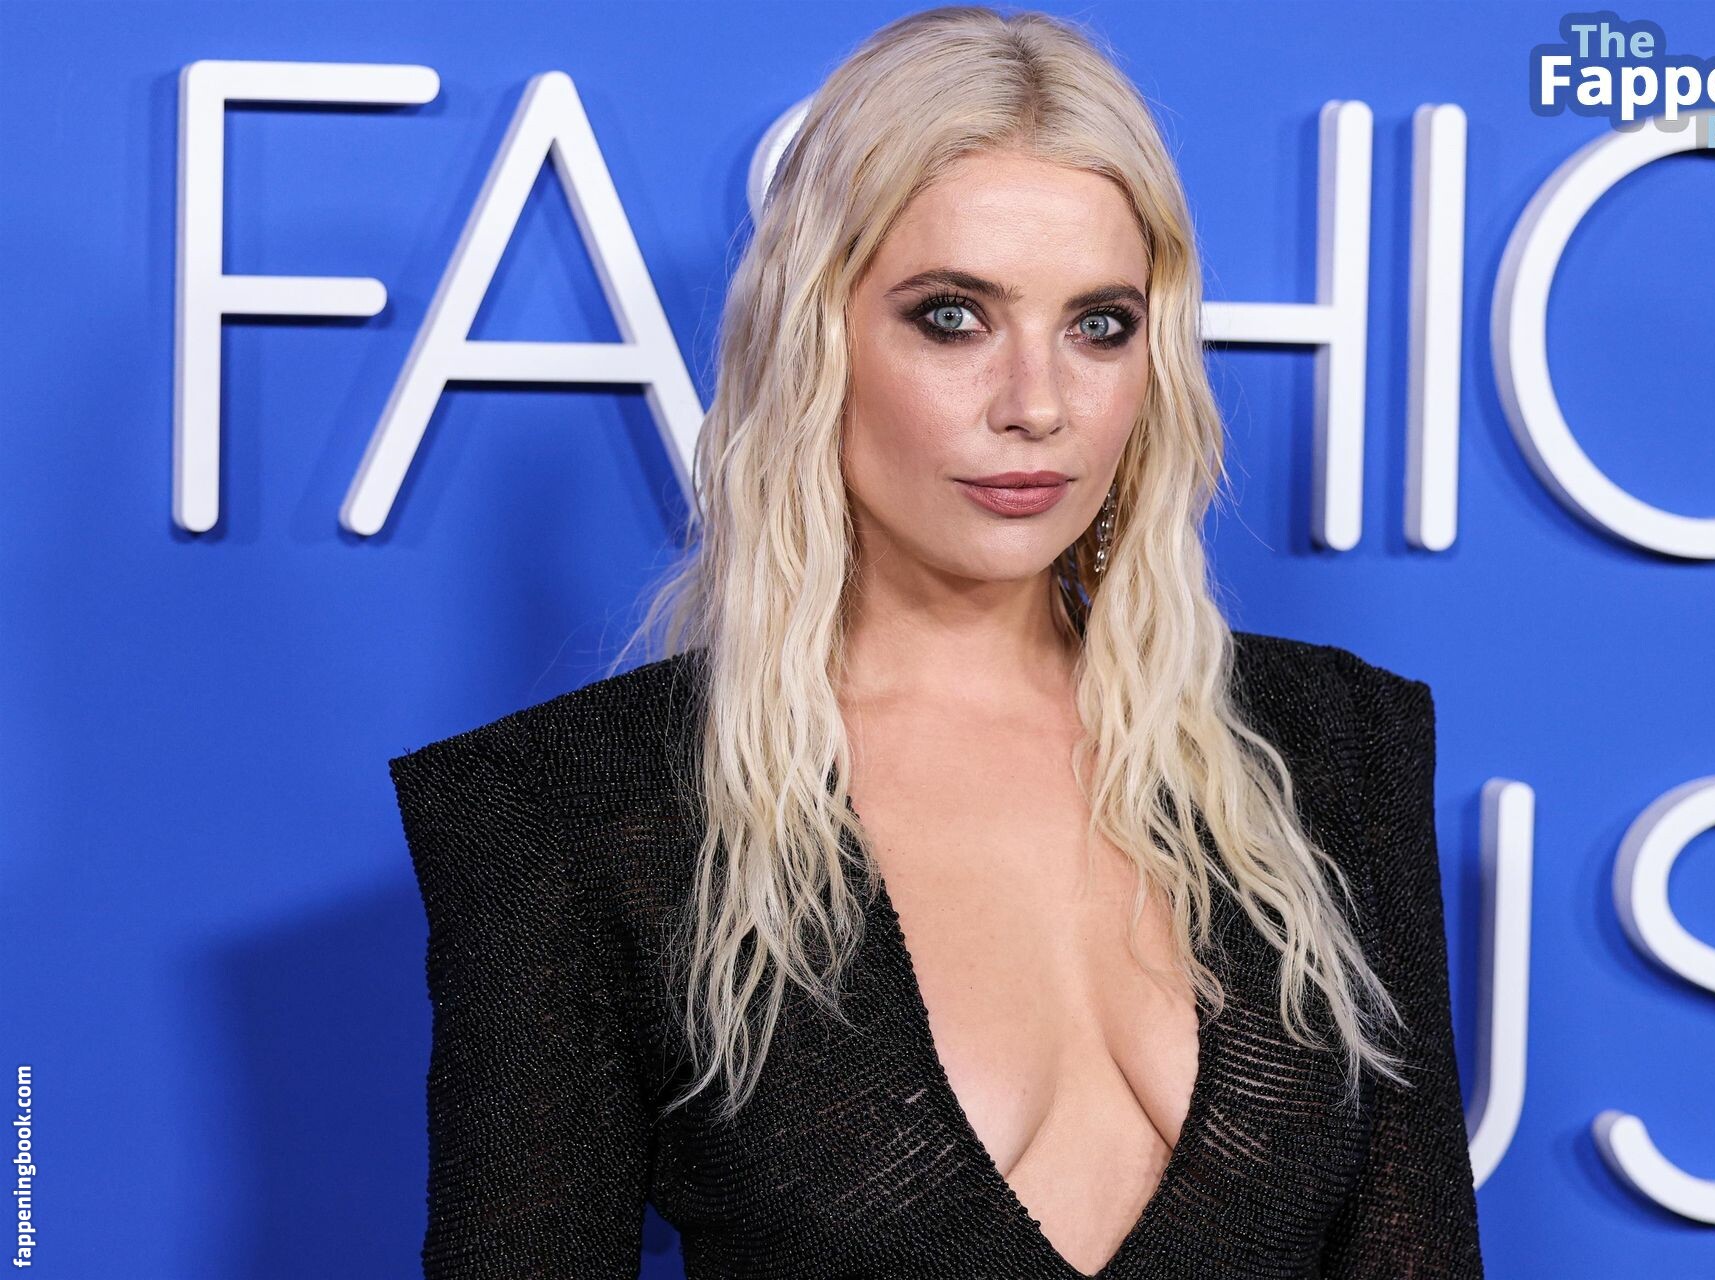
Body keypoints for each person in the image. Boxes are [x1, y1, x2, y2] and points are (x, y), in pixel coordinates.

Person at [387, 6, 1485, 1277]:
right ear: (816, 337)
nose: (1037, 405)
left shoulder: (1329, 748)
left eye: (1099, 324)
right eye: (954, 317)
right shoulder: (580, 810)